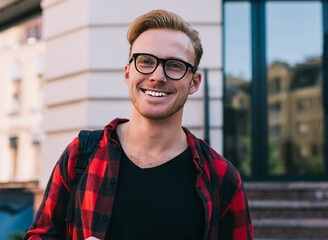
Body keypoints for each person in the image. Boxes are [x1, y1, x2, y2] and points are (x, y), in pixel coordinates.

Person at [24, 9, 253, 240]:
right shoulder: (81, 153)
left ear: (194, 82)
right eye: (145, 61)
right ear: (127, 73)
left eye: (174, 65)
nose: (157, 76)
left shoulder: (223, 177)